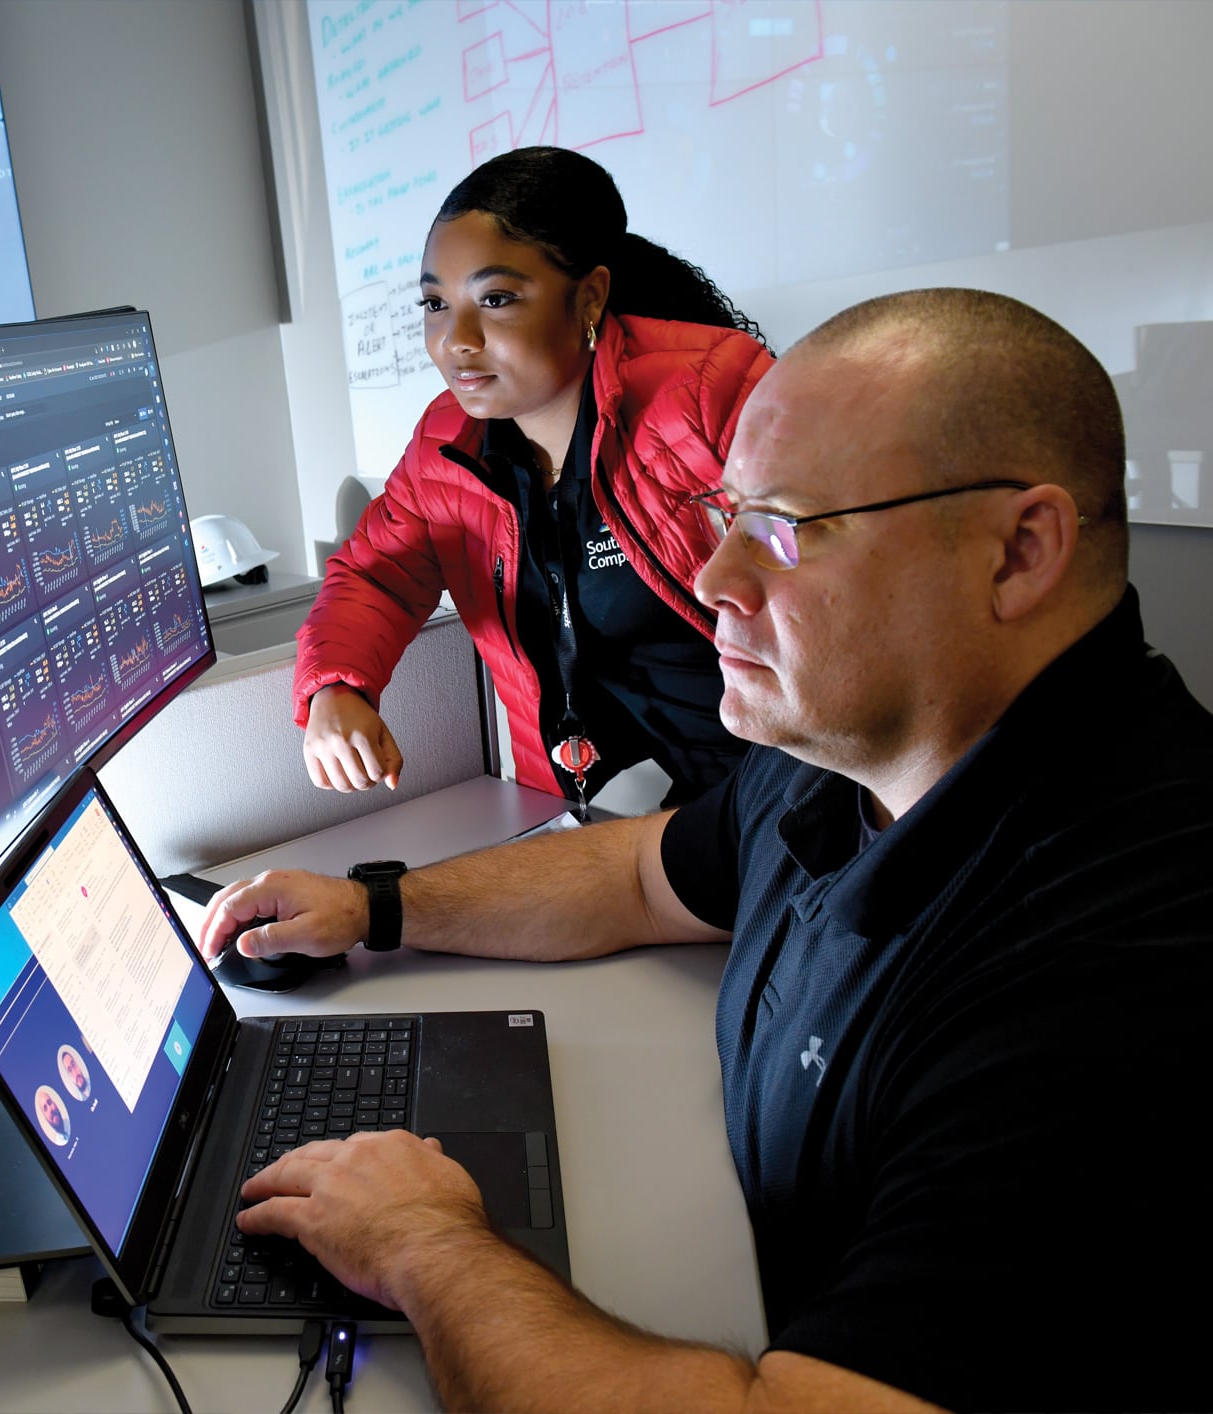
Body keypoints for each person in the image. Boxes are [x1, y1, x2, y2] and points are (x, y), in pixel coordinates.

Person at [204, 289, 1213, 1411]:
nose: (713, 575)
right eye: (723, 512)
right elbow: (641, 871)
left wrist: (422, 1246)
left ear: (1019, 552)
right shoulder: (852, 748)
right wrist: (371, 910)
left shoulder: (1133, 953)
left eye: (782, 527)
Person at [296, 146, 773, 810]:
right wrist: (336, 688)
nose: (456, 339)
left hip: (781, 797)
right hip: (599, 816)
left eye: (495, 299)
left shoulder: (708, 395)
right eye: (435, 304)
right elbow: (374, 574)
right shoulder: (446, 445)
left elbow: (839, 584)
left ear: (589, 298)